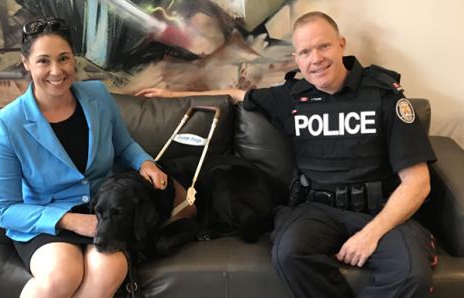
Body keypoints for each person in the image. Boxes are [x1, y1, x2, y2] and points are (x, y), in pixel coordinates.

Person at [137, 11, 437, 297]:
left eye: (323, 46)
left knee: (412, 273)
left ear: (341, 44)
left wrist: (371, 233)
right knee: (288, 255)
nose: (315, 59)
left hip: (380, 210)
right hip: (316, 209)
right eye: (305, 52)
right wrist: (171, 96)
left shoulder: (384, 96)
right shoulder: (292, 96)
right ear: (296, 58)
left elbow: (417, 182)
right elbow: (235, 93)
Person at [0, 17, 170, 298]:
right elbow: (3, 209)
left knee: (110, 268)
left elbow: (124, 145)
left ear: (74, 59)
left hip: (102, 212)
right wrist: (69, 221)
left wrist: (146, 163)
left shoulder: (98, 95)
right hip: (46, 219)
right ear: (26, 63)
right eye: (43, 61)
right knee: (62, 274)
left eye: (64, 58)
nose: (56, 71)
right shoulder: (5, 123)